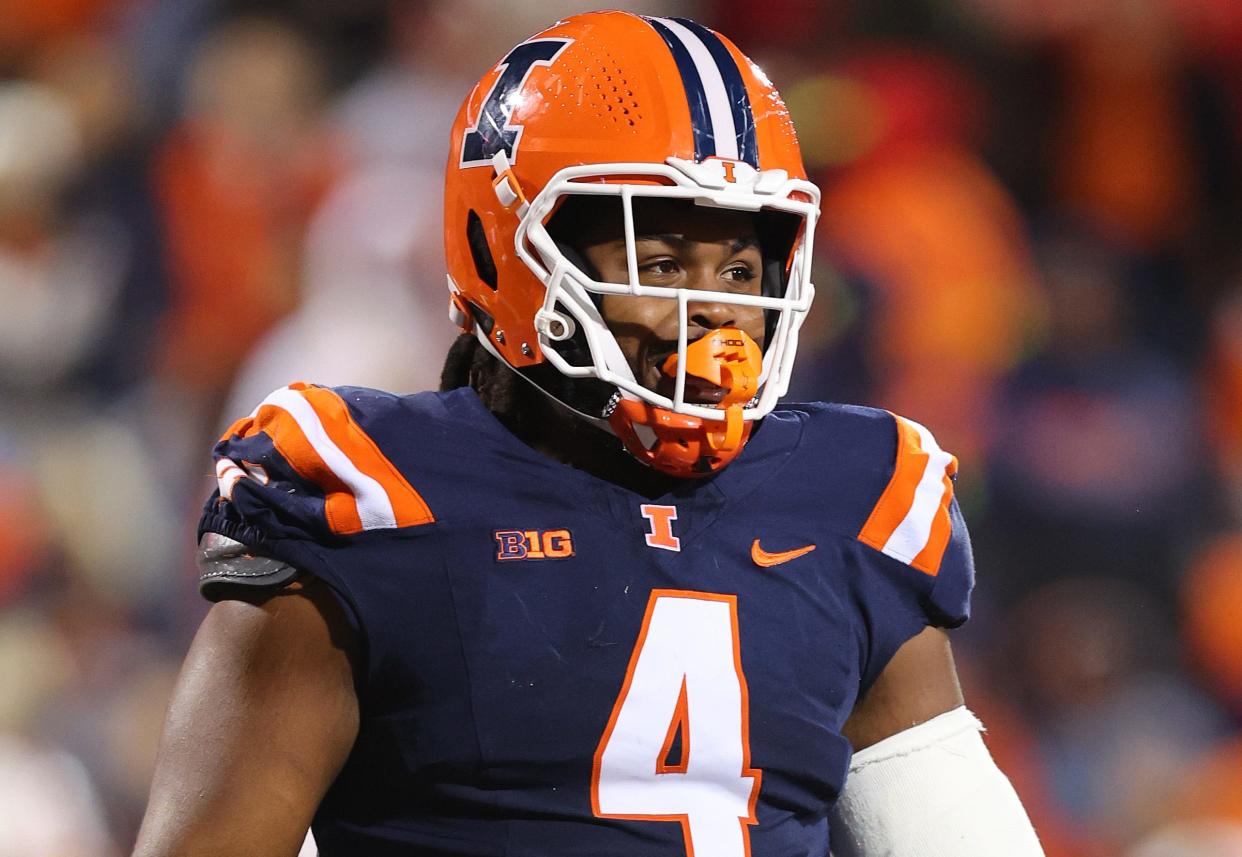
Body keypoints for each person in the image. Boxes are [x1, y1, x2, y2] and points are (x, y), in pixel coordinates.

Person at [133, 11, 1044, 857]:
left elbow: (951, 830)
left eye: (739, 264)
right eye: (659, 260)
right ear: (505, 248)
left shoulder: (851, 497)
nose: (713, 311)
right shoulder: (368, 499)